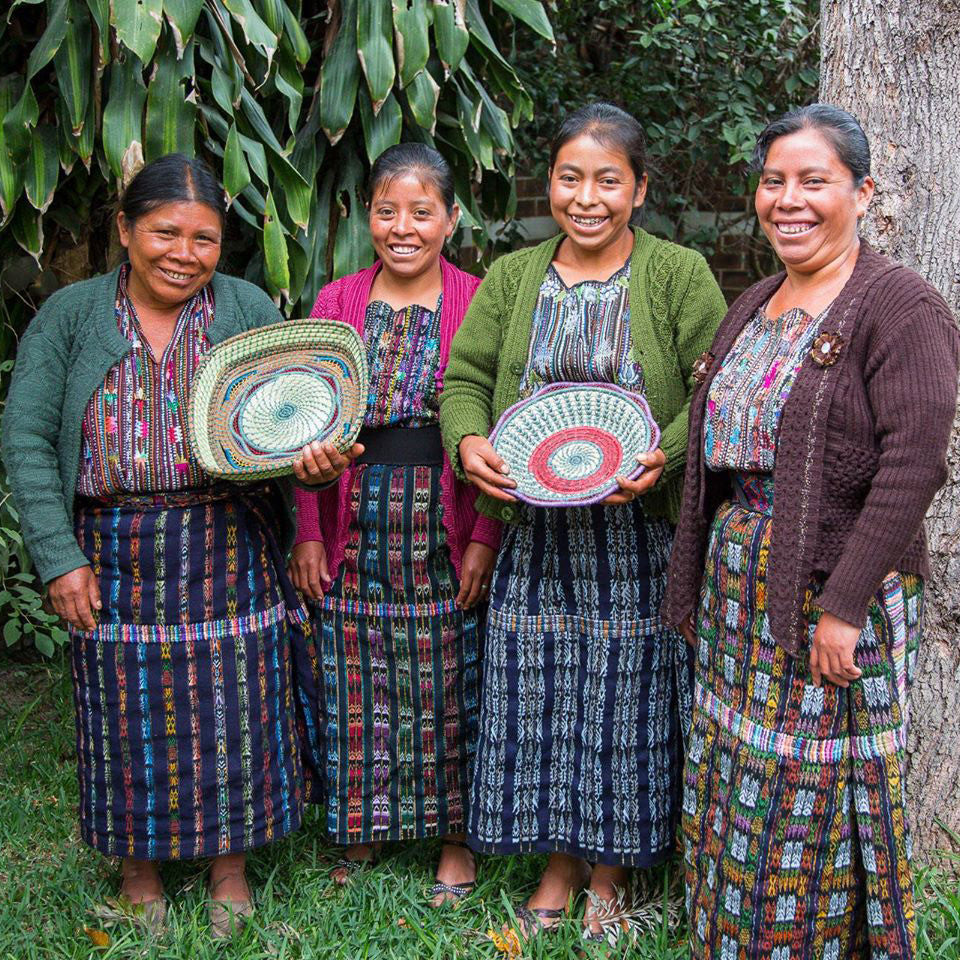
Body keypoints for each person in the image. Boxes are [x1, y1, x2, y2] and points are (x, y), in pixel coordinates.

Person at [0, 154, 353, 937]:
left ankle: (231, 869)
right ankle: (140, 871)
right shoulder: (71, 315)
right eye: (164, 232)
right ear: (124, 230)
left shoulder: (246, 306)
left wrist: (309, 498)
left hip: (228, 539)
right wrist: (59, 556)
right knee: (126, 715)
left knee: (238, 707)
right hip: (112, 546)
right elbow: (25, 435)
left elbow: (295, 421)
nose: (183, 253)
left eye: (204, 238)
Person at [663, 104, 960, 959]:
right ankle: (728, 938)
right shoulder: (757, 300)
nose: (788, 200)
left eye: (814, 181)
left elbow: (912, 469)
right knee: (738, 769)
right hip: (741, 587)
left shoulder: (900, 308)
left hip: (828, 591)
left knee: (808, 789)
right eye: (773, 181)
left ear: (863, 194)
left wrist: (844, 603)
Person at [439, 102, 727, 941]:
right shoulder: (514, 277)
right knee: (542, 696)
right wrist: (469, 442)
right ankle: (557, 860)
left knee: (625, 702)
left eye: (609, 180)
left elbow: (714, 388)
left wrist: (661, 458)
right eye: (571, 178)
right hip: (536, 538)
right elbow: (464, 378)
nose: (587, 196)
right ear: (550, 184)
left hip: (636, 535)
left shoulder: (679, 274)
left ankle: (611, 872)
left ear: (639, 190)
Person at [288, 143, 501, 906]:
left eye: (421, 211)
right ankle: (363, 825)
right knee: (357, 678)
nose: (402, 227)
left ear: (451, 218)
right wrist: (309, 527)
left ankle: (454, 838)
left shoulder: (480, 299)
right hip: (354, 515)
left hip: (444, 522)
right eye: (387, 211)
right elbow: (301, 424)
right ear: (365, 217)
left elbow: (497, 427)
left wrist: (483, 537)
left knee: (451, 680)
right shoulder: (337, 300)